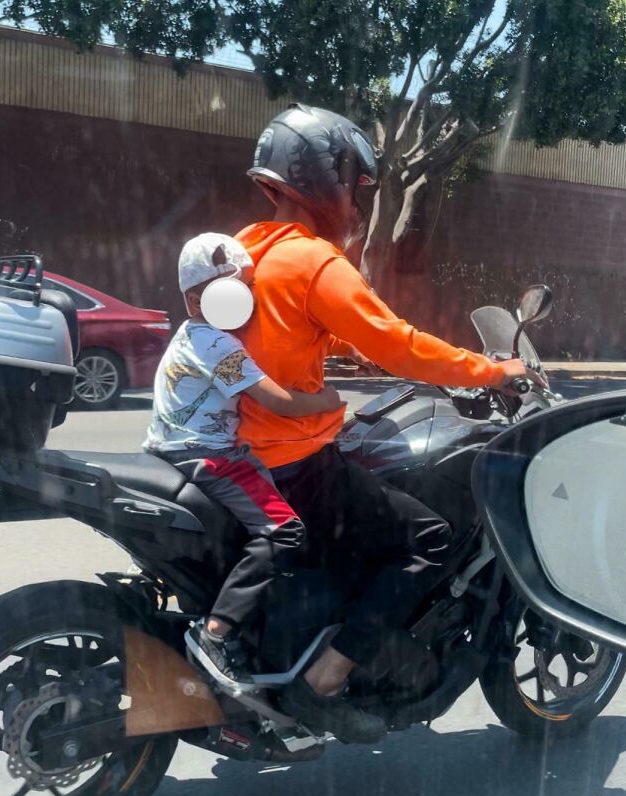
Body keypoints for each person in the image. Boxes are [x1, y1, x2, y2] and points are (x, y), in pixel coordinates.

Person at [232, 104, 545, 743]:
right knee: (424, 538)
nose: (357, 199)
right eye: (353, 181)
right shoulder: (316, 261)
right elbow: (398, 345)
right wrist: (493, 371)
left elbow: (276, 333)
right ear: (322, 179)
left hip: (231, 452)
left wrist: (338, 345)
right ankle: (324, 679)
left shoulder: (244, 249)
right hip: (288, 462)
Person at [144, 232, 345, 689]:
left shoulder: (194, 335)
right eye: (239, 289)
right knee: (284, 531)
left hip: (172, 450)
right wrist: (327, 400)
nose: (250, 299)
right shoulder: (218, 345)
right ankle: (217, 634)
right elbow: (277, 401)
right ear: (199, 299)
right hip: (209, 458)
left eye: (250, 289)